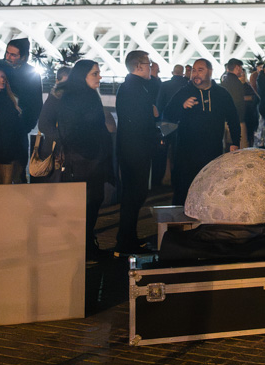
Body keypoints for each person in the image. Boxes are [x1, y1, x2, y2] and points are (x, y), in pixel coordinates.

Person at [38, 59, 114, 259]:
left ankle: (87, 244)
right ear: (82, 75)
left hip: (93, 157)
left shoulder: (89, 94)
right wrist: (64, 142)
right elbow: (46, 123)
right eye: (95, 73)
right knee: (82, 202)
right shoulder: (63, 94)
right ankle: (82, 247)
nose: (99, 77)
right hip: (79, 158)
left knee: (94, 199)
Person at [163, 59, 240, 206]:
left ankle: (205, 226)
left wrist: (235, 143)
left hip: (212, 152)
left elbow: (233, 119)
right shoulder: (184, 92)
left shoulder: (221, 94)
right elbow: (167, 116)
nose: (195, 74)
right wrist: (182, 106)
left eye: (200, 70)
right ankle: (181, 227)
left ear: (210, 72)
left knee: (209, 191)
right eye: (194, 70)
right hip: (186, 154)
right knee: (183, 192)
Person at [115, 50, 159, 253]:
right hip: (136, 149)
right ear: (139, 66)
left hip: (132, 148)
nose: (151, 66)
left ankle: (128, 238)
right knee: (135, 194)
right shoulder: (134, 88)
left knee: (134, 195)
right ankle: (126, 241)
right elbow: (138, 121)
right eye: (149, 63)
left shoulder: (132, 86)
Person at [3, 37, 43, 181]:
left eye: (13, 55)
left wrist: (26, 125)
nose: (9, 57)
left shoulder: (30, 73)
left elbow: (36, 103)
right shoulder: (0, 69)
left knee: (18, 167)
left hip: (19, 127)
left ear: (23, 57)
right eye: (7, 53)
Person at [220, 58, 253, 148]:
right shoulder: (237, 83)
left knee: (227, 146)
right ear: (237, 68)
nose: (242, 71)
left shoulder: (224, 82)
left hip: (225, 120)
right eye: (241, 68)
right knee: (242, 147)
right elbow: (238, 103)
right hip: (237, 120)